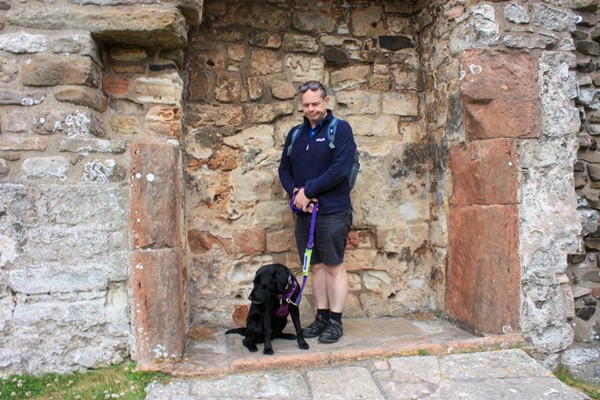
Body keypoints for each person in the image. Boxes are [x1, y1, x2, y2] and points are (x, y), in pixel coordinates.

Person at [278, 80, 357, 344]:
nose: (311, 109)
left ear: (326, 101)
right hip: (304, 213)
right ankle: (321, 317)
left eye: (315, 103)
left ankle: (335, 321)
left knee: (334, 266)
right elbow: (284, 170)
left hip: (333, 211)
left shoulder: (340, 129)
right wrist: (296, 194)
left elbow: (340, 170)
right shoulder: (295, 135)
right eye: (306, 105)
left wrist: (308, 191)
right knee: (316, 268)